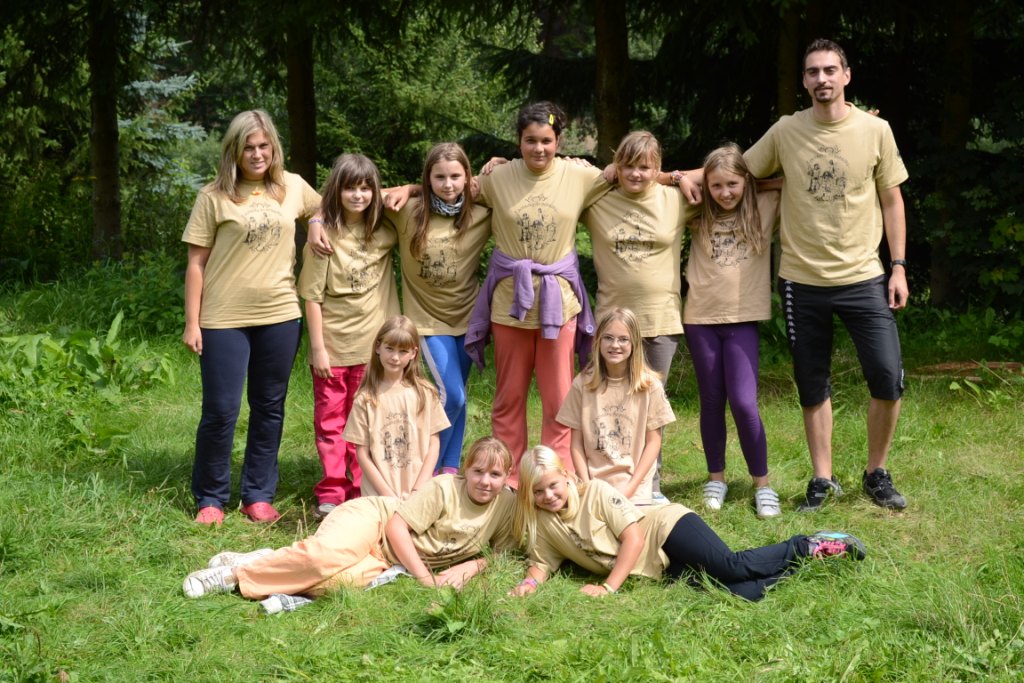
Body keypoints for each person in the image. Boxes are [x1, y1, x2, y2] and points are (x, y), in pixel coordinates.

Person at [681, 39, 910, 511]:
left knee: (887, 377)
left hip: (863, 276)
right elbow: (735, 171)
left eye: (830, 70)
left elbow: (892, 200)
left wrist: (899, 266)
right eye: (812, 72)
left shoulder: (876, 130)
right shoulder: (787, 130)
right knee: (812, 384)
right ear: (804, 80)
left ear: (846, 75)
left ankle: (877, 473)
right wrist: (675, 176)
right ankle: (822, 479)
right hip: (801, 281)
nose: (821, 79)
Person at [181, 109, 321, 525]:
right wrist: (192, 322)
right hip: (223, 318)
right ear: (234, 151)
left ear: (273, 148)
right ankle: (211, 497)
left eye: (264, 146)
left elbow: (329, 206)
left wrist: (316, 222)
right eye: (248, 148)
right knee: (221, 409)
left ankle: (258, 494)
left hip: (280, 314)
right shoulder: (213, 196)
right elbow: (195, 264)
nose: (257, 154)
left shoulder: (292, 186)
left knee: (269, 406)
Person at [182, 436, 518, 608]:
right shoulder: (444, 488)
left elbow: (501, 552)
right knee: (325, 558)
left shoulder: (505, 505)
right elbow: (396, 527)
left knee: (330, 584)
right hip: (376, 520)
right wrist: (425, 578)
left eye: (495, 474)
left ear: (507, 477)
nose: (485, 481)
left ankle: (264, 559)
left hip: (388, 558)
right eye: (478, 471)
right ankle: (232, 576)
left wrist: (473, 565)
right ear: (465, 470)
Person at [465, 101, 611, 484]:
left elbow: (629, 176)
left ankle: (552, 477)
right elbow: (447, 190)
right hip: (509, 304)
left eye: (546, 140)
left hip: (558, 303)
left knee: (559, 398)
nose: (539, 148)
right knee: (508, 396)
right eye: (530, 140)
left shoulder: (579, 175)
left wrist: (679, 178)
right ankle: (509, 478)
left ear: (559, 140)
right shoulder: (498, 177)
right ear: (519, 141)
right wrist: (405, 189)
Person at [509, 446, 866, 602]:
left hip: (665, 529)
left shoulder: (596, 492)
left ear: (567, 476)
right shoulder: (543, 522)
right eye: (538, 491)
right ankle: (810, 563)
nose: (548, 495)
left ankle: (807, 544)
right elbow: (542, 562)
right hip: (658, 567)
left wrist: (608, 588)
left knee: (730, 566)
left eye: (553, 485)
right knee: (739, 593)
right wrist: (528, 583)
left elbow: (634, 539)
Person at [580, 131, 699, 501]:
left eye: (645, 167)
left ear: (656, 167)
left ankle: (651, 484)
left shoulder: (674, 199)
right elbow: (560, 187)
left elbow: (721, 175)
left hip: (659, 319)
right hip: (612, 323)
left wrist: (675, 177)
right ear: (617, 165)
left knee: (650, 407)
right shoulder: (597, 201)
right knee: (609, 406)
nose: (636, 174)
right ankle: (606, 479)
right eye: (628, 165)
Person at [298, 153, 399, 518]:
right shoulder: (323, 237)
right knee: (331, 423)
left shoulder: (386, 231)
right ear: (336, 191)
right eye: (349, 188)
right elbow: (312, 297)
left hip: (373, 349)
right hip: (333, 347)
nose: (358, 195)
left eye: (365, 188)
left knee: (367, 422)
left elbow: (419, 193)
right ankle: (332, 490)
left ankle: (361, 489)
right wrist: (318, 349)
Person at [683, 144, 782, 518]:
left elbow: (794, 177)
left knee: (743, 402)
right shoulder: (696, 210)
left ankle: (763, 485)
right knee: (711, 400)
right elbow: (661, 183)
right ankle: (716, 478)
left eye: (733, 184)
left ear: (746, 182)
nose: (725, 193)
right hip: (700, 318)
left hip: (742, 319)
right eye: (716, 185)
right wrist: (684, 178)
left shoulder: (763, 205)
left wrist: (758, 182)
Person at [389, 143, 492, 475]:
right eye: (439, 177)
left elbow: (514, 187)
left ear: (467, 177)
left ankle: (449, 470)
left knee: (458, 397)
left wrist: (499, 163)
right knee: (453, 397)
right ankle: (426, 471)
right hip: (427, 322)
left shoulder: (480, 212)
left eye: (455, 177)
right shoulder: (408, 210)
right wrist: (408, 188)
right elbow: (354, 195)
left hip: (468, 319)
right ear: (428, 178)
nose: (448, 185)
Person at [555, 308, 675, 506]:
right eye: (608, 338)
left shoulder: (650, 386)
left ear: (634, 343)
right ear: (598, 341)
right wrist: (587, 485)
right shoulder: (582, 384)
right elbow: (575, 444)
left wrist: (630, 489)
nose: (615, 345)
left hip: (635, 488)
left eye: (623, 339)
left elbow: (654, 443)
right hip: (594, 485)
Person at [342, 316, 450, 499]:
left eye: (403, 351)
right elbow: (362, 454)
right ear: (378, 347)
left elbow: (434, 444)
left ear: (413, 353)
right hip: (379, 496)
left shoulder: (426, 393)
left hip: (419, 493)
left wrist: (417, 490)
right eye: (389, 348)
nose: (395, 357)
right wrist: (388, 495)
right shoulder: (365, 399)